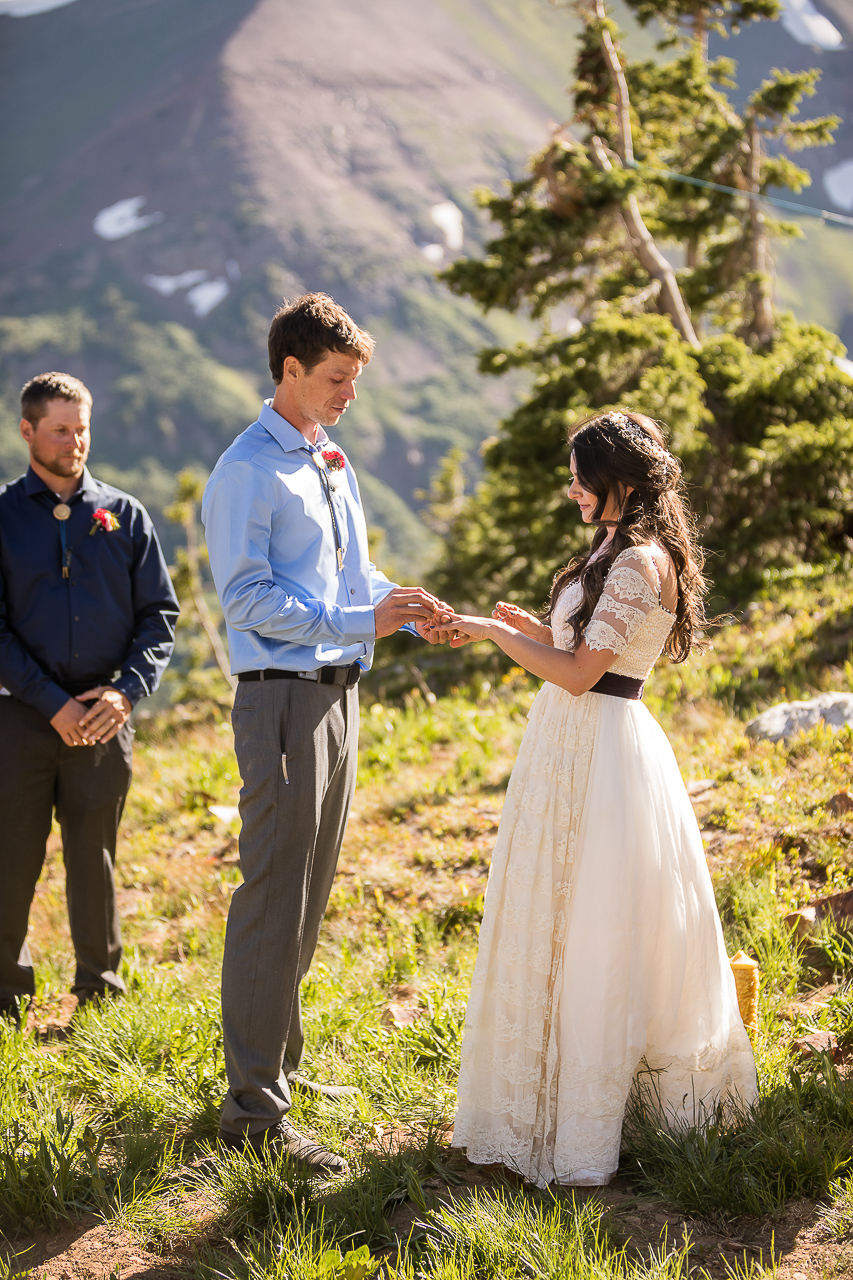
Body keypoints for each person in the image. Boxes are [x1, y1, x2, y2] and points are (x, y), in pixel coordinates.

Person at [431, 410, 757, 1188]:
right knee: (558, 916)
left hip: (604, 749)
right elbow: (571, 654)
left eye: (580, 475)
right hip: (565, 745)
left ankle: (595, 1120)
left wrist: (487, 631)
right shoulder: (610, 549)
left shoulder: (643, 561)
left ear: (616, 480)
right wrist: (521, 628)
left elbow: (583, 675)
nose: (570, 488)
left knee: (601, 926)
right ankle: (546, 1099)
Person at [202, 293, 449, 1175]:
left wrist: (409, 612)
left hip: (338, 695)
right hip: (279, 701)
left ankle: (277, 1073)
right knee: (272, 897)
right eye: (338, 379)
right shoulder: (247, 470)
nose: (349, 394)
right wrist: (360, 618)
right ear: (291, 370)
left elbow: (354, 573)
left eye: (355, 380)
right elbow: (247, 599)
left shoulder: (329, 460)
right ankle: (253, 1113)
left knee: (306, 900)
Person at [0, 372, 179, 1024]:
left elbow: (159, 616)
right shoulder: (1, 516)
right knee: (10, 857)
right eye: (60, 430)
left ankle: (99, 993)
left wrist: (125, 695)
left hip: (107, 719)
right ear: (27, 432)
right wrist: (52, 703)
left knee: (94, 858)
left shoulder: (125, 515)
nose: (75, 443)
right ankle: (4, 999)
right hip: (18, 719)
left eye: (82, 429)